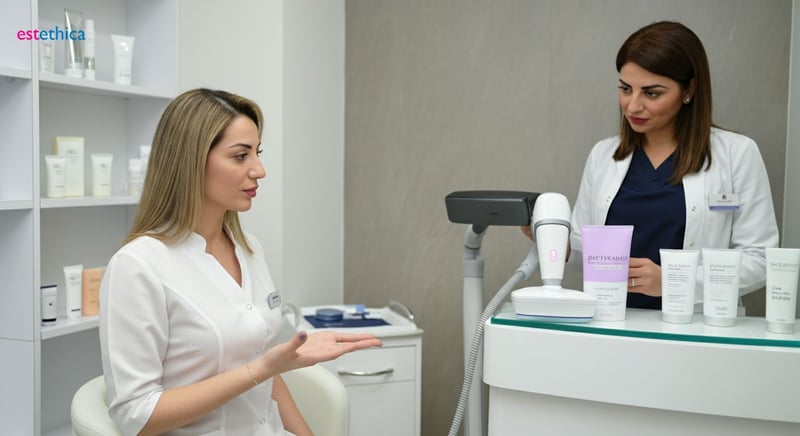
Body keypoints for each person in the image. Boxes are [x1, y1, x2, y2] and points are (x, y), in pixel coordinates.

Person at [99, 88, 382, 436]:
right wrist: (261, 369)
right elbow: (136, 417)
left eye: (257, 153)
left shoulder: (249, 248)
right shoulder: (138, 266)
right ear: (191, 161)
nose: (259, 170)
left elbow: (268, 374)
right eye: (240, 156)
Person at [526, 21, 779, 310]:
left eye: (652, 93)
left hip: (695, 327)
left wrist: (673, 281)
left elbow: (760, 259)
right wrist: (557, 242)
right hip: (614, 322)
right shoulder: (604, 155)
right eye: (625, 89)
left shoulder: (737, 154)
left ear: (689, 90)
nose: (633, 106)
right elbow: (590, 255)